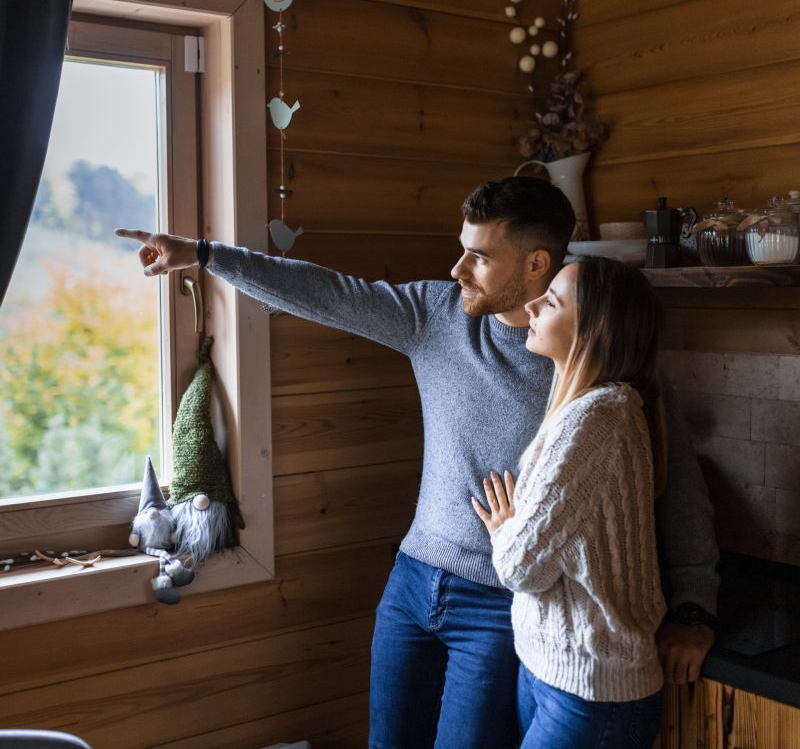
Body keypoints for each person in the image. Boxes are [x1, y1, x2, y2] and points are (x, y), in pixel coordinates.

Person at [115, 176, 718, 749]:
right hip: (410, 582)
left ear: (537, 264)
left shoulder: (597, 363)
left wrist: (693, 604)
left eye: (479, 256)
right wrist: (202, 254)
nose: (457, 269)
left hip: (502, 609)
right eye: (461, 250)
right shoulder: (436, 315)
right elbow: (325, 293)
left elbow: (674, 483)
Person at [473, 255, 668, 748]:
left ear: (594, 328)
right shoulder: (585, 409)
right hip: (552, 672)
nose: (531, 304)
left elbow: (521, 569)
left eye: (552, 300)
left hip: (592, 693)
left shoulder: (598, 420)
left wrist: (504, 529)